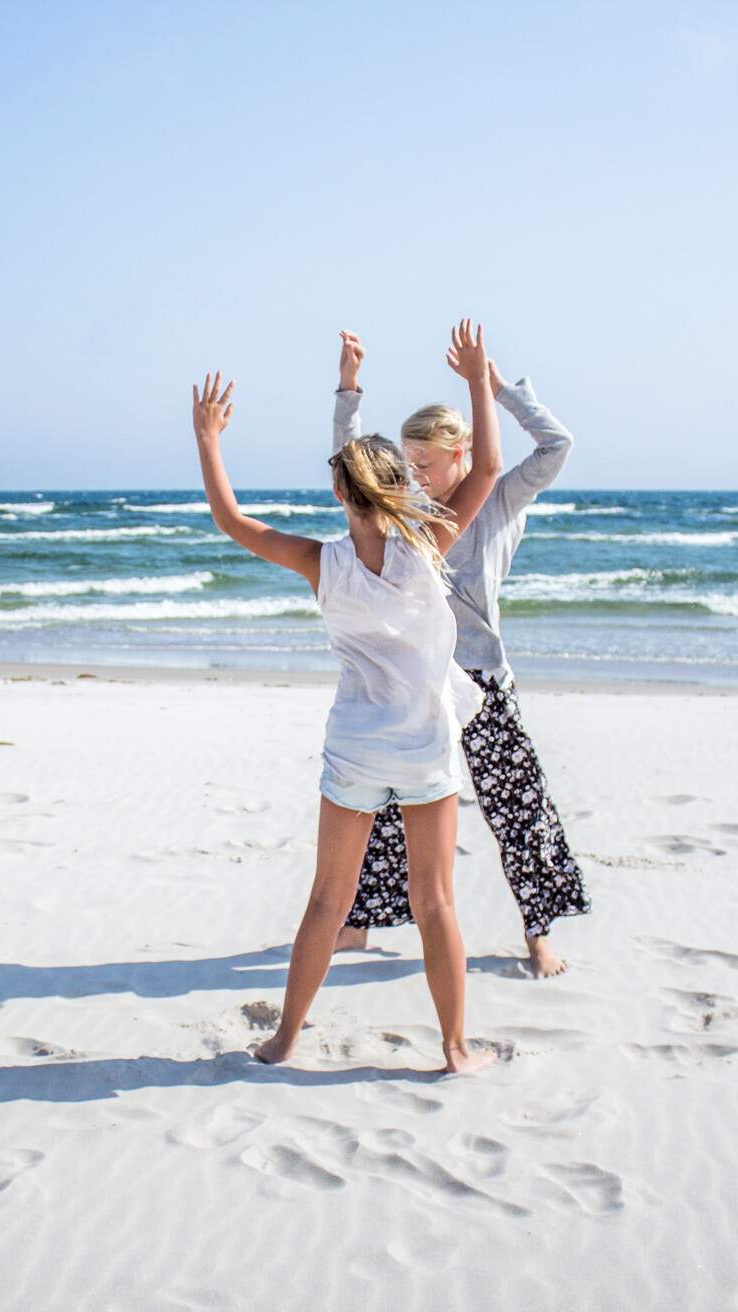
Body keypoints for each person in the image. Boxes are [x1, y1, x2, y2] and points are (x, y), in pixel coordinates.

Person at [189, 320, 503, 1074]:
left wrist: (209, 439)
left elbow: (232, 521)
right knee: (436, 905)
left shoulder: (317, 562)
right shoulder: (428, 544)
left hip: (355, 747)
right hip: (425, 742)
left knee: (328, 903)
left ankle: (284, 1039)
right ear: (400, 487)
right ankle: (456, 1050)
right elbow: (488, 463)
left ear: (338, 491)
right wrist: (477, 381)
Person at [329, 330, 590, 978]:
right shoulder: (408, 512)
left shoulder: (498, 497)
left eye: (427, 463)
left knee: (517, 805)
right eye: (409, 464)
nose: (415, 475)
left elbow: (558, 445)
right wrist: (349, 388)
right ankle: (357, 924)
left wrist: (497, 387)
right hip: (422, 679)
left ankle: (537, 935)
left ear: (460, 453)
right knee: (384, 799)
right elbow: (352, 466)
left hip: (484, 678)